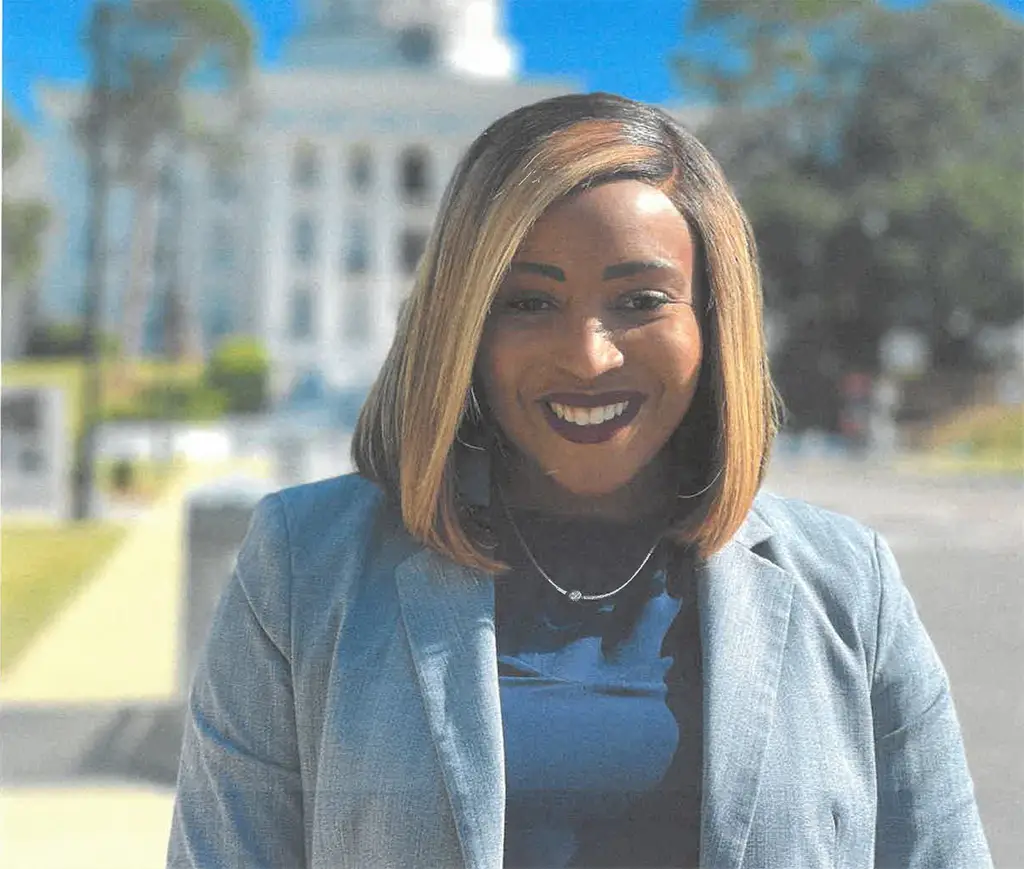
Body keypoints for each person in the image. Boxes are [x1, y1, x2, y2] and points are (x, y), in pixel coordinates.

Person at [167, 92, 991, 868]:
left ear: (711, 318)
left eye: (640, 300)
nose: (590, 355)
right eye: (528, 303)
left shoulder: (850, 584)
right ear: (462, 323)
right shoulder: (304, 570)